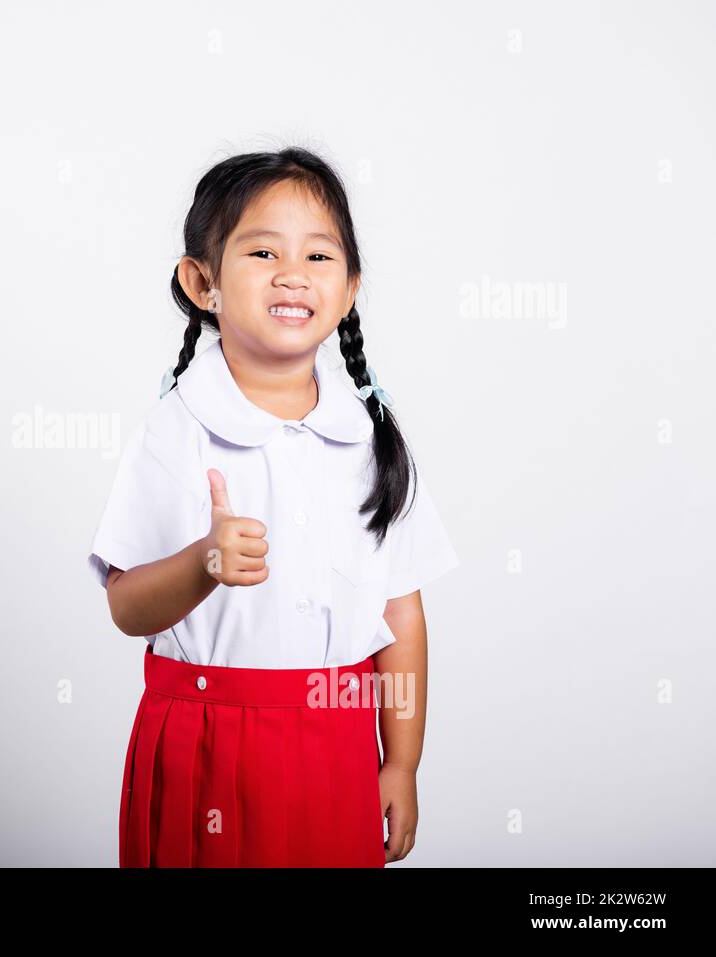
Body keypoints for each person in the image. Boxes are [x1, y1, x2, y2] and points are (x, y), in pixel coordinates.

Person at [87, 147, 461, 867]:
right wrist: (204, 562)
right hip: (207, 741)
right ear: (203, 282)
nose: (292, 273)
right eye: (262, 250)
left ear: (350, 289)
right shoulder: (177, 430)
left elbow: (402, 612)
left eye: (319, 256)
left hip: (338, 747)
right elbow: (127, 605)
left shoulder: (370, 439)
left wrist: (401, 761)